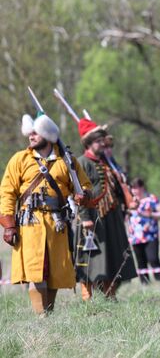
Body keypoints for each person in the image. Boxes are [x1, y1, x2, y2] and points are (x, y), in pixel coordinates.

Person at [0, 113, 92, 314]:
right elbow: (6, 192)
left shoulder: (67, 161)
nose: (31, 136)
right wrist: (8, 224)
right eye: (30, 133)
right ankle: (41, 317)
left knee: (55, 273)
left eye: (36, 133)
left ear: (47, 135)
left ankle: (48, 315)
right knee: (36, 271)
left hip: (57, 222)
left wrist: (82, 195)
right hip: (29, 223)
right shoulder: (20, 159)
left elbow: (85, 185)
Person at [75, 119, 137, 300]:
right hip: (93, 217)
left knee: (114, 258)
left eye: (103, 140)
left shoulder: (108, 162)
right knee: (92, 261)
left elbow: (117, 187)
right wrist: (85, 217)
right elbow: (78, 193)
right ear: (88, 142)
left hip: (112, 217)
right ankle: (88, 296)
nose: (102, 143)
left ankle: (110, 295)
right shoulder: (82, 162)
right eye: (98, 141)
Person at [128, 177, 160, 284]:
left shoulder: (151, 199)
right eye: (133, 188)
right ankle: (145, 284)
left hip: (151, 235)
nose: (134, 190)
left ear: (142, 187)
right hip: (135, 237)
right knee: (141, 262)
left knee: (153, 259)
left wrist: (149, 215)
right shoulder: (129, 201)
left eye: (137, 188)